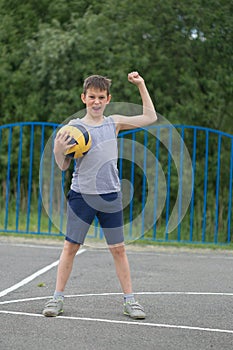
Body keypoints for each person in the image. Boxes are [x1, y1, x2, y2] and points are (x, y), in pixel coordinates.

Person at [43, 71, 157, 319]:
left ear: (108, 99)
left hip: (110, 196)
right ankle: (56, 299)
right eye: (92, 96)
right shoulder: (71, 129)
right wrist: (59, 150)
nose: (96, 101)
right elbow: (63, 166)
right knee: (70, 247)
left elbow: (150, 116)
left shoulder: (113, 123)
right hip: (81, 195)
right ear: (83, 98)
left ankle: (130, 301)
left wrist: (141, 85)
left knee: (118, 249)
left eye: (101, 97)